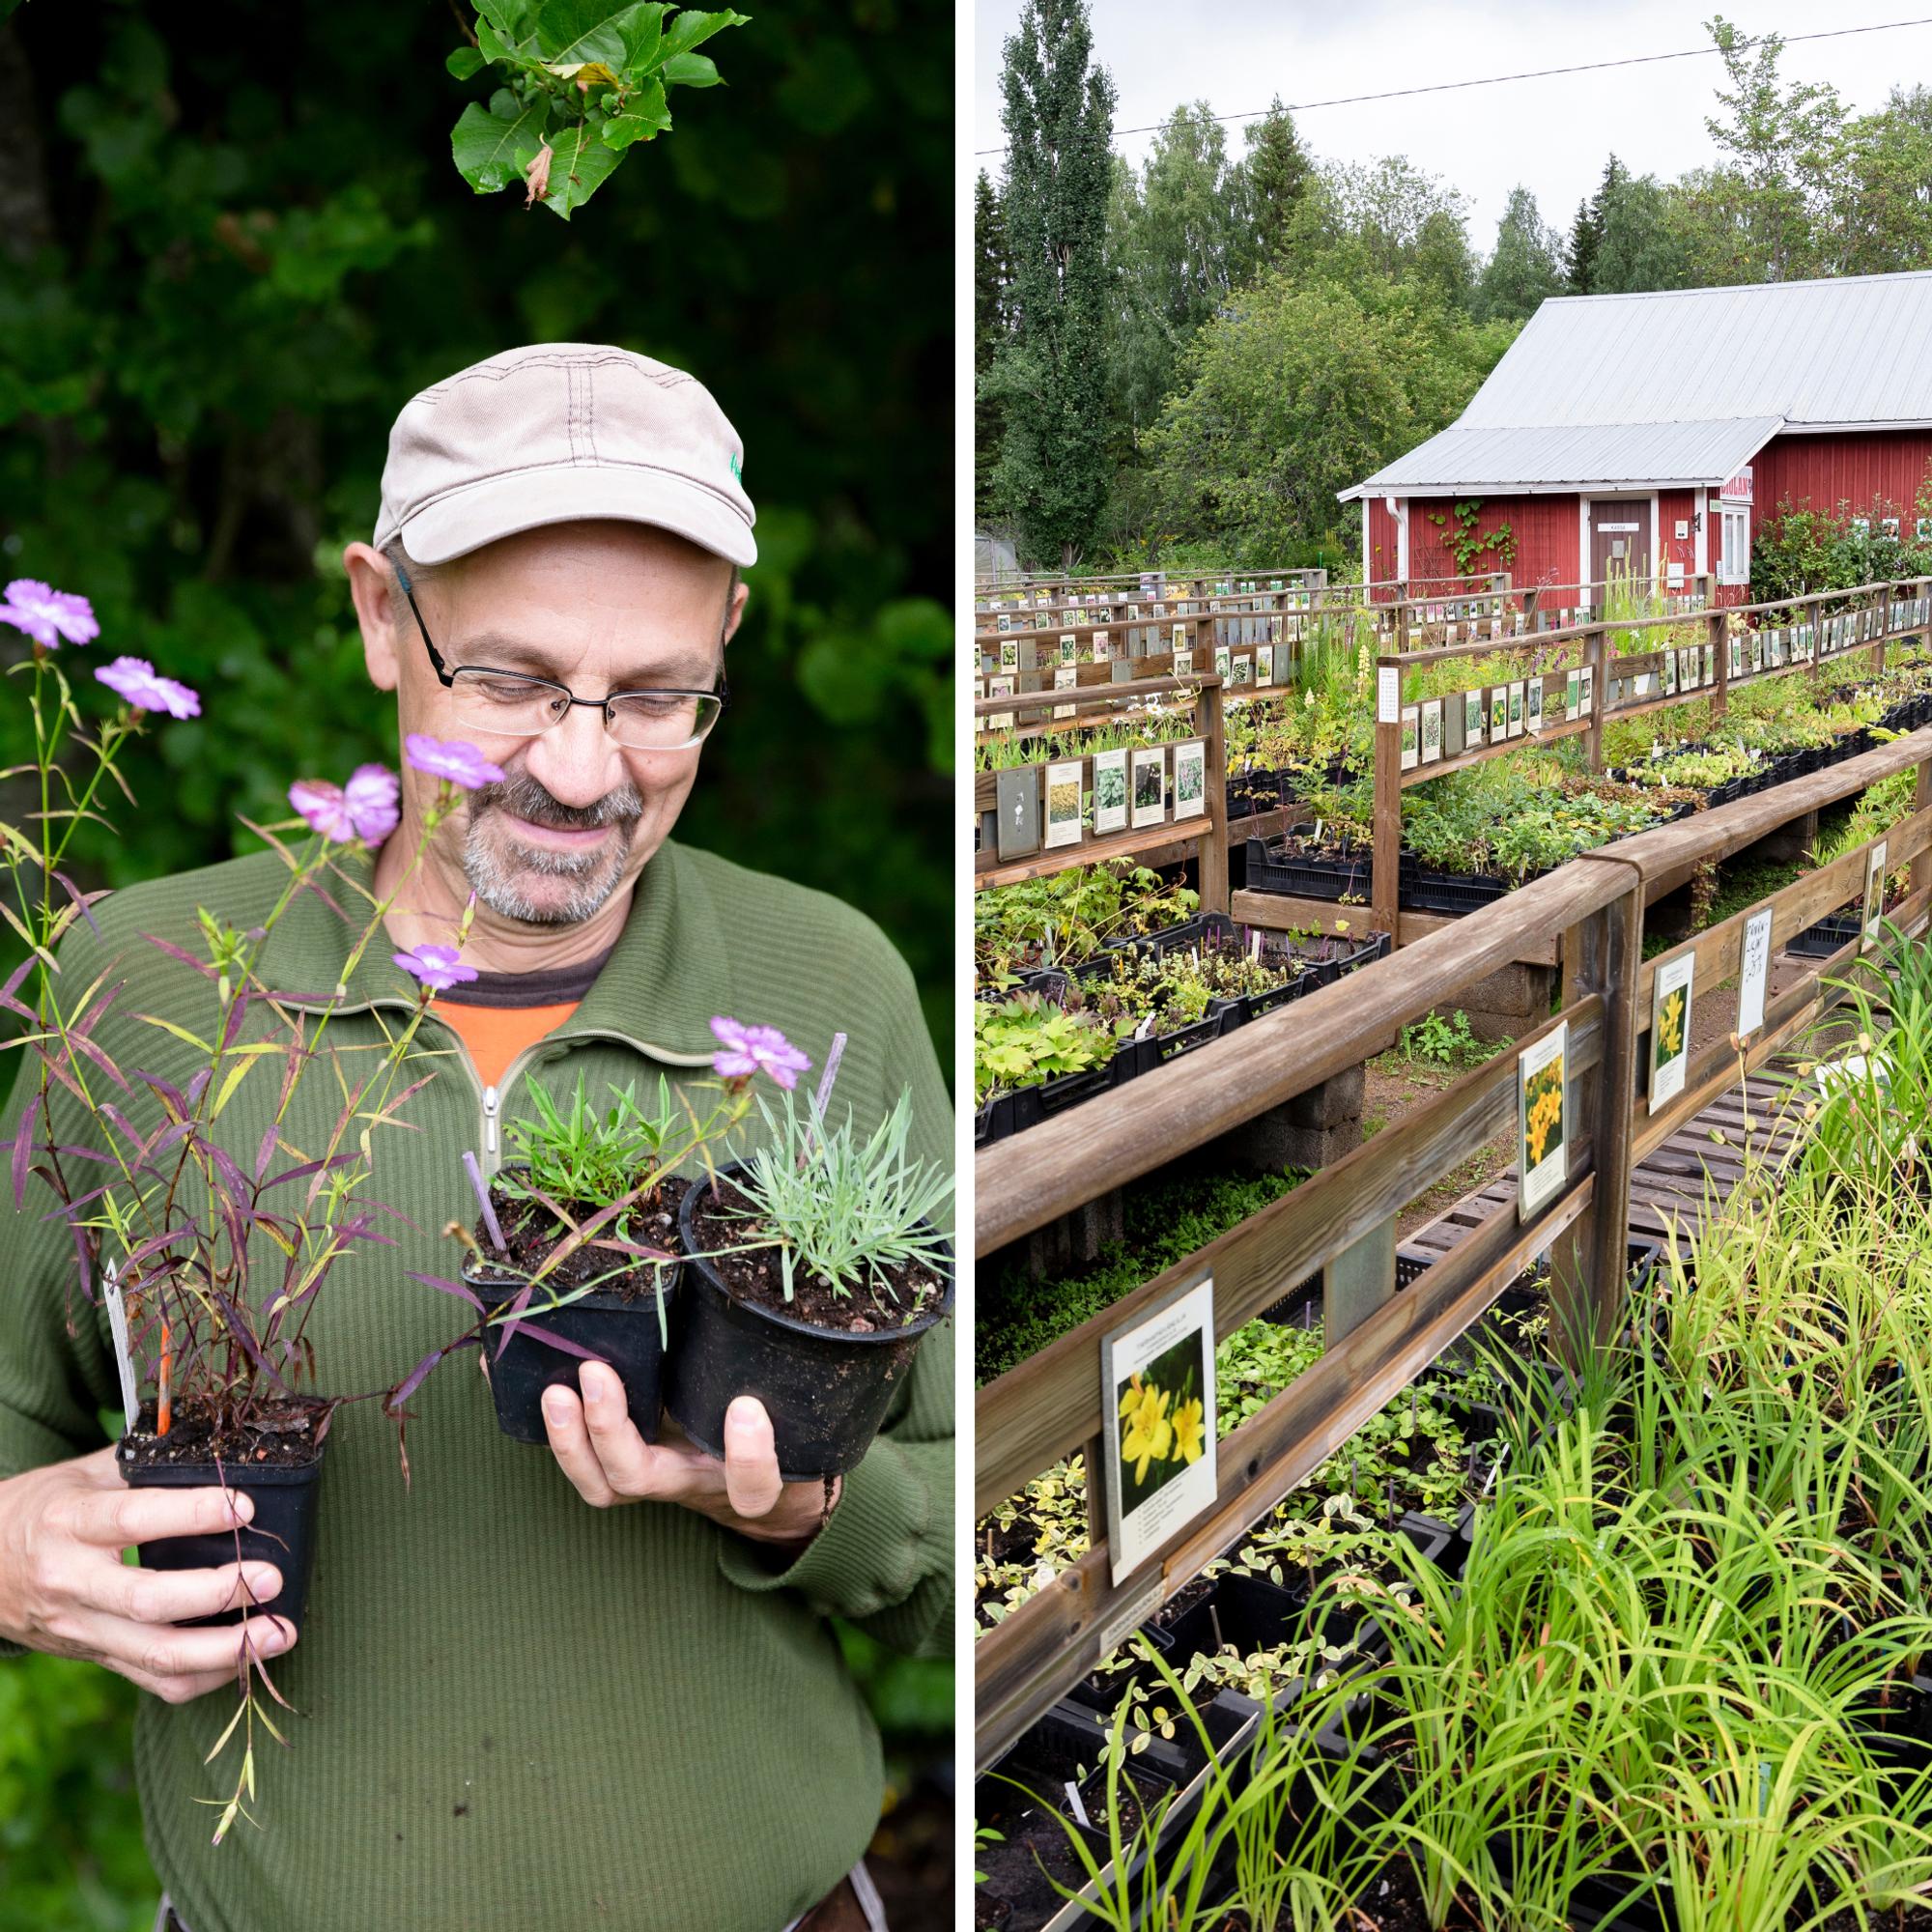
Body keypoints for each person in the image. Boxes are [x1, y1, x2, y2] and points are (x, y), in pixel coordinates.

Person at [0, 345, 952, 1932]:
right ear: (382, 615)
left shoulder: (825, 990)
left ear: (730, 635)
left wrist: (802, 1505)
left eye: (655, 697)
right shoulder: (146, 988)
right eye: (509, 682)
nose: (581, 771)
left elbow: (983, 1522)